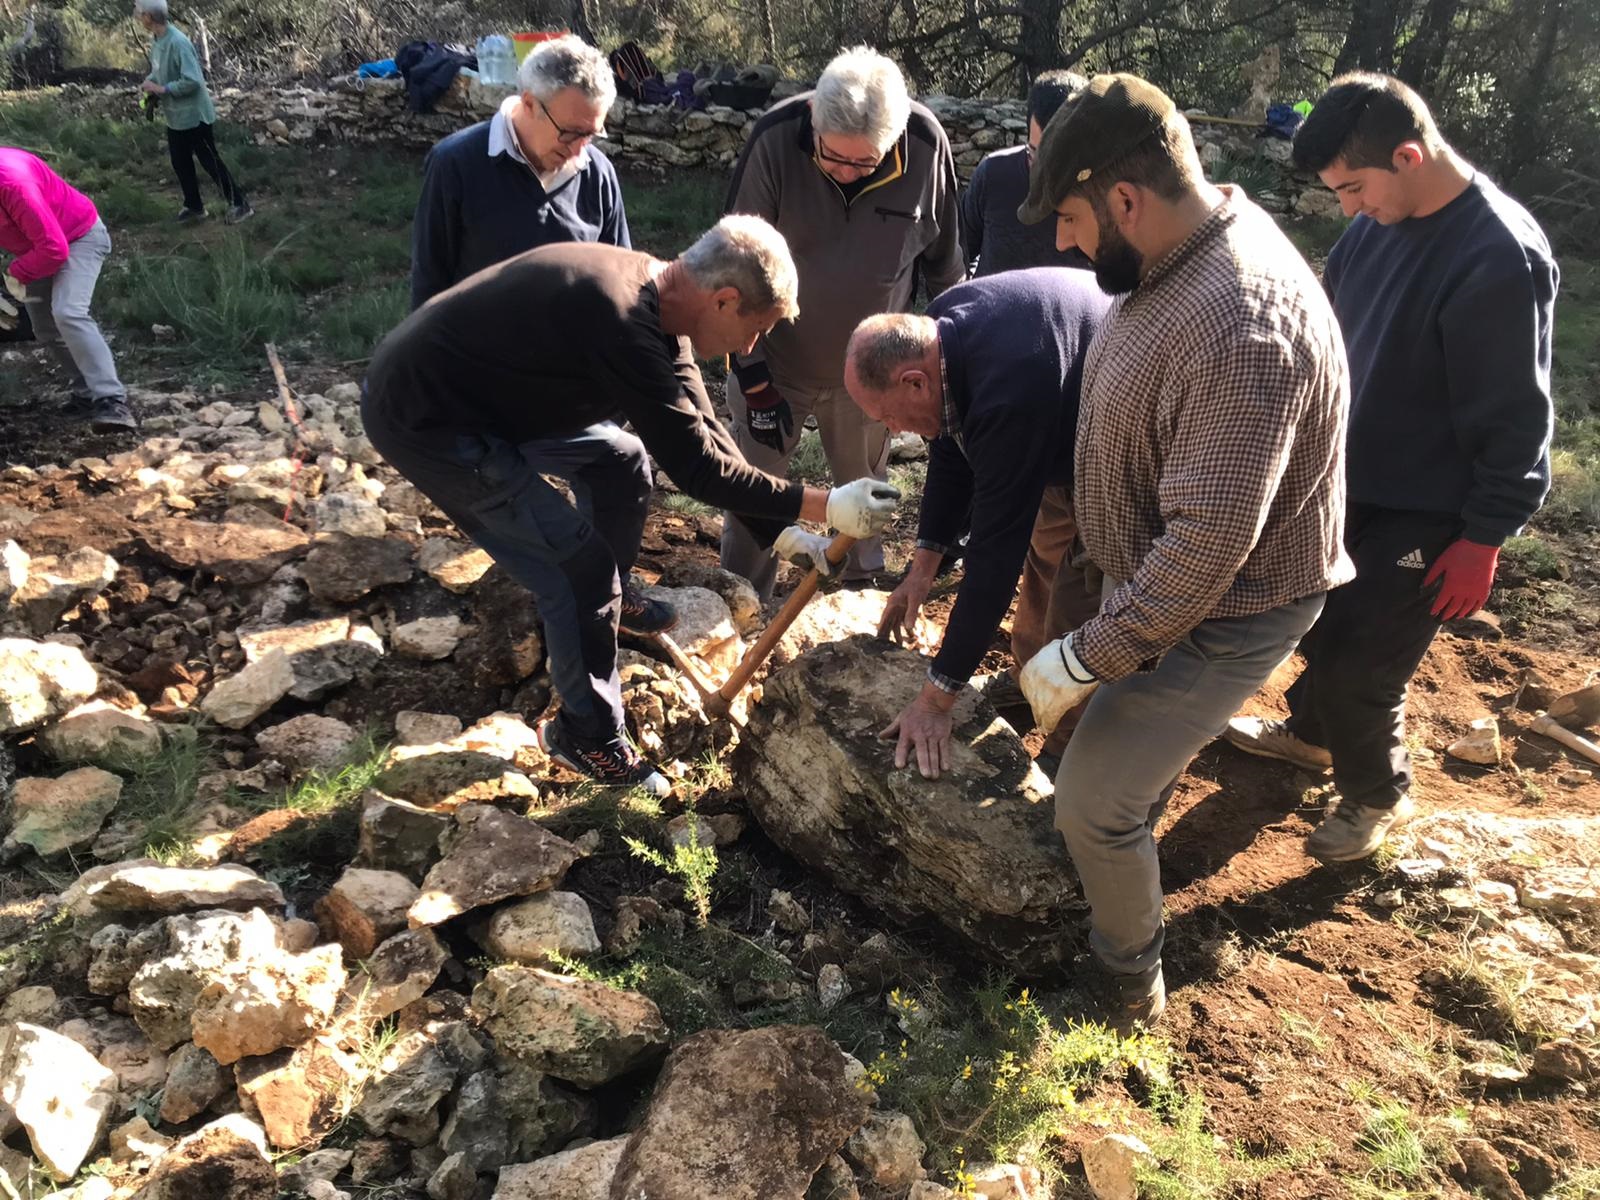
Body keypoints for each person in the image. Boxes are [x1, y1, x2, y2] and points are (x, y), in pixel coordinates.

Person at [1014, 74, 1352, 1031]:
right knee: (1113, 766)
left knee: (1093, 803)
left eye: (1071, 219)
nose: (1063, 244)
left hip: (1228, 610)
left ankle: (1128, 985)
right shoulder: (1171, 261)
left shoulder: (1242, 322)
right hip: (1159, 581)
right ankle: (1125, 834)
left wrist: (1092, 653)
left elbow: (1207, 547)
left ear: (1125, 199)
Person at [361, 217, 900, 797]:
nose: (749, 349)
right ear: (724, 300)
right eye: (756, 329)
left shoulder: (663, 306)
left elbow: (707, 434)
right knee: (578, 569)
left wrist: (784, 532)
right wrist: (827, 504)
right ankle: (584, 734)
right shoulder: (617, 318)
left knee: (620, 460)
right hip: (430, 419)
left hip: (497, 399)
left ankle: (607, 607)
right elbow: (698, 470)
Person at [1223, 73, 1557, 863]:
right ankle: (1311, 739)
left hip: (1432, 505)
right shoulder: (1376, 225)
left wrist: (1484, 535)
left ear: (1408, 157)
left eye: (1353, 188)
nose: (1348, 208)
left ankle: (1378, 793)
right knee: (1319, 622)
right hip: (1349, 475)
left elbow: (1517, 414)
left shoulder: (1497, 255)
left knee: (1364, 665)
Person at [785, 269, 1109, 779]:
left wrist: (936, 701)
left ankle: (1068, 747)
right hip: (1057, 422)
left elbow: (993, 561)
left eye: (888, 416)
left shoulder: (1006, 396)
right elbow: (950, 450)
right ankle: (1027, 680)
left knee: (1077, 594)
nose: (893, 429)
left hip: (1116, 448)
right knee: (1044, 559)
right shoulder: (937, 333)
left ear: (914, 381)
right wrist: (920, 572)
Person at [719, 45, 965, 597]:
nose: (849, 172)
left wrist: (953, 370)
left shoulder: (925, 144)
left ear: (894, 140)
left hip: (874, 370)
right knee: (752, 494)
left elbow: (947, 269)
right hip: (775, 362)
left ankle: (858, 600)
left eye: (865, 162)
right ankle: (739, 601)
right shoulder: (776, 139)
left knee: (865, 499)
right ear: (814, 119)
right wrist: (753, 380)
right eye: (834, 157)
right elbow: (732, 268)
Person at [410, 34, 630, 309]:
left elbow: (621, 282)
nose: (578, 151)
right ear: (529, 104)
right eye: (570, 133)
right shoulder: (453, 164)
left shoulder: (598, 173)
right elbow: (429, 285)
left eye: (590, 135)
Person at [0, 149, 137, 432]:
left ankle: (112, 401)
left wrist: (14, 275)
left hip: (78, 238)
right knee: (45, 328)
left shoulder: (13, 184)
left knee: (68, 312)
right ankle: (85, 393)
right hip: (36, 247)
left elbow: (54, 249)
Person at [959, 70, 1091, 276]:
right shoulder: (993, 174)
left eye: (1058, 159)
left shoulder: (1105, 195)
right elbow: (957, 254)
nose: (1043, 174)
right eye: (1035, 154)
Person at [135, 0, 251, 224]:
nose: (138, 16)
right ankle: (194, 206)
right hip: (176, 117)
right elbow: (159, 72)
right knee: (180, 162)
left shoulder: (178, 42)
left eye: (140, 12)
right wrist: (150, 84)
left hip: (195, 116)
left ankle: (240, 205)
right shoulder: (157, 40)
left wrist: (162, 89)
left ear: (149, 16)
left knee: (210, 162)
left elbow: (193, 81)